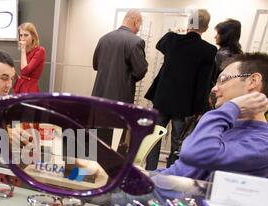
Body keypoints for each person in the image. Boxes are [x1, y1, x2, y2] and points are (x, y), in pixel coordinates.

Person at [159, 52, 268, 180]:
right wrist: (148, 176)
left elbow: (196, 154)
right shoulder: (227, 125)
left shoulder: (262, 142)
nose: (214, 89)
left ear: (252, 81)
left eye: (223, 80)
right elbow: (181, 170)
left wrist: (231, 108)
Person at [144, 9, 217, 170]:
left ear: (188, 23)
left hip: (162, 99)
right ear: (205, 28)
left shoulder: (171, 39)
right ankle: (171, 175)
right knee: (178, 143)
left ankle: (150, 172)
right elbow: (203, 83)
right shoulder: (208, 50)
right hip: (184, 105)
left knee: (154, 138)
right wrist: (200, 109)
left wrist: (176, 32)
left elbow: (159, 44)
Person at [91, 10, 147, 146]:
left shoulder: (104, 38)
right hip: (120, 102)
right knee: (114, 147)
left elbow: (96, 65)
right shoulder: (136, 42)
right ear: (136, 22)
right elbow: (140, 70)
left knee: (96, 141)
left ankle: (94, 166)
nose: (139, 29)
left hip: (98, 98)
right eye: (139, 25)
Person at [13, 22, 46, 93]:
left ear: (33, 36)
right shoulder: (26, 51)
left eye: (26, 35)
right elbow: (24, 75)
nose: (22, 38)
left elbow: (25, 71)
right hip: (21, 85)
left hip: (30, 88)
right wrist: (16, 76)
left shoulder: (40, 50)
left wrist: (23, 50)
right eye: (21, 35)